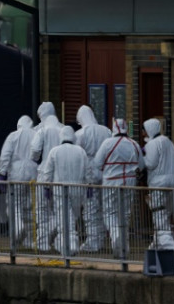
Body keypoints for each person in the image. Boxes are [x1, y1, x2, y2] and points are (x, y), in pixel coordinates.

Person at [93, 118, 145, 259]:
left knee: (110, 212)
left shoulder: (107, 143)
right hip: (129, 182)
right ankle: (124, 245)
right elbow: (141, 165)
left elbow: (97, 163)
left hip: (111, 181)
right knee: (125, 213)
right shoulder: (134, 144)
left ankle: (116, 236)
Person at [40, 126, 91, 257]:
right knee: (72, 217)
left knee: (64, 218)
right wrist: (89, 186)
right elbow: (88, 171)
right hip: (77, 188)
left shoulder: (55, 151)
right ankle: (67, 244)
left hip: (60, 188)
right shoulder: (81, 151)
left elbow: (48, 172)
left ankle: (68, 246)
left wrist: (47, 187)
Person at [74, 105, 111, 252]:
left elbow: (76, 155)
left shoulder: (80, 134)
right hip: (105, 172)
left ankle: (94, 240)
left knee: (90, 209)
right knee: (105, 208)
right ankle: (103, 239)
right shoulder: (106, 131)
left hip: (89, 174)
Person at [0, 115, 38, 249]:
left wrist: (2, 173)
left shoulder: (13, 136)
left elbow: (5, 154)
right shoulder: (36, 134)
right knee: (30, 205)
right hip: (33, 170)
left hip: (16, 171)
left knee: (14, 204)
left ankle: (18, 227)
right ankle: (29, 238)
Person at [30, 112, 63, 252]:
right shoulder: (64, 129)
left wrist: (36, 158)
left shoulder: (42, 130)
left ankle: (42, 241)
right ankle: (57, 239)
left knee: (42, 209)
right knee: (60, 209)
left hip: (45, 172)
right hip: (62, 174)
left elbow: (35, 151)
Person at [143, 118, 174, 251]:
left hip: (158, 182)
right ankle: (157, 242)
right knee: (166, 212)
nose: (143, 134)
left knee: (158, 212)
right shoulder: (168, 141)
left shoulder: (152, 144)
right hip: (171, 180)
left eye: (144, 130)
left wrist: (142, 158)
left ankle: (167, 244)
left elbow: (150, 163)